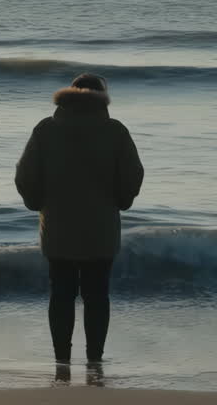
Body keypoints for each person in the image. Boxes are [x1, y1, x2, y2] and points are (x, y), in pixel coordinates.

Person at [15, 73, 144, 369]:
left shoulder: (46, 130)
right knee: (97, 295)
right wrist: (122, 201)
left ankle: (62, 360)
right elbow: (133, 175)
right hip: (101, 231)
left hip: (58, 230)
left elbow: (25, 176)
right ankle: (94, 360)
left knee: (61, 294)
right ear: (104, 98)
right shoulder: (115, 131)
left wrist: (36, 204)